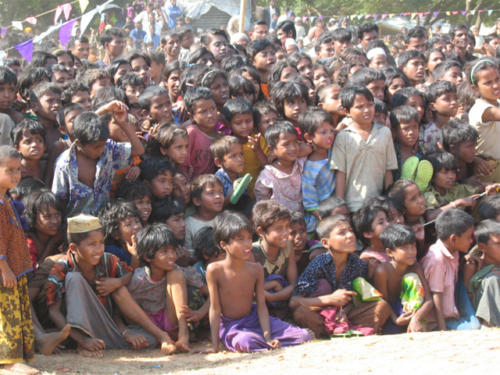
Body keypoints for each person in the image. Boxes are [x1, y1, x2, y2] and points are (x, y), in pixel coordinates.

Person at [46, 214, 177, 357]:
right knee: (74, 278)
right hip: (75, 333)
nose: (98, 249)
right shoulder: (61, 268)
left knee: (148, 339)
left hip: (105, 326)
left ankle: (156, 335)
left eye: (101, 243)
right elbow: (54, 312)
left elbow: (129, 274)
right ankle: (83, 344)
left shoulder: (108, 261)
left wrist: (118, 282)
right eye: (92, 244)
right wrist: (82, 340)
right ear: (74, 247)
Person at [207, 211, 311, 352]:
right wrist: (214, 345)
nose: (247, 244)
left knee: (303, 335)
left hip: (255, 319)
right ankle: (260, 342)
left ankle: (264, 342)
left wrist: (267, 336)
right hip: (232, 325)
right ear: (224, 244)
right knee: (245, 342)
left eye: (249, 238)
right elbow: (214, 308)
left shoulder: (256, 269)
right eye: (240, 239)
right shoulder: (214, 270)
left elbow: (262, 306)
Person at [290, 215, 391, 338]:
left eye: (350, 231)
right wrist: (330, 299)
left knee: (382, 307)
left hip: (346, 314)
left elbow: (356, 299)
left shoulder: (358, 264)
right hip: (321, 314)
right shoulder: (318, 263)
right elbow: (294, 301)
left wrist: (343, 312)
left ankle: (345, 329)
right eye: (342, 233)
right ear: (325, 243)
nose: (350, 236)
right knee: (300, 313)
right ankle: (330, 332)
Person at [52, 110, 144, 217]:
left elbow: (139, 150)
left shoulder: (109, 149)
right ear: (79, 143)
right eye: (96, 147)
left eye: (103, 145)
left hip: (104, 220)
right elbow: (59, 200)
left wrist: (124, 124)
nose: (101, 150)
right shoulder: (63, 164)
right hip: (76, 225)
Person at [0, 146, 38, 374]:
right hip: (5, 269)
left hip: (15, 265)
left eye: (18, 170)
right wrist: (3, 267)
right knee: (7, 313)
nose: (15, 175)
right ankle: (8, 360)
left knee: (14, 310)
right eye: (9, 170)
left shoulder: (5, 199)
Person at [331, 86, 397, 212]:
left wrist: (389, 201)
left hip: (378, 204)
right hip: (353, 205)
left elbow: (388, 170)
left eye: (370, 105)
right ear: (347, 111)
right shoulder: (343, 137)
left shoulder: (384, 132)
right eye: (359, 107)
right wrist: (340, 205)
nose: (366, 110)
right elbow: (341, 173)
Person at [128, 223, 190, 354]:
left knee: (176, 274)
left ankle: (183, 335)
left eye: (173, 250)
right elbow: (126, 310)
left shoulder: (175, 271)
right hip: (148, 325)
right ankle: (163, 339)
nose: (172, 256)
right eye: (164, 252)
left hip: (170, 320)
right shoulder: (138, 279)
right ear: (148, 257)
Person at [420, 209, 480, 330]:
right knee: (474, 329)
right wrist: (443, 329)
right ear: (453, 239)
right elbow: (436, 296)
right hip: (440, 317)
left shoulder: (454, 250)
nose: (471, 241)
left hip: (452, 299)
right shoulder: (437, 260)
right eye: (468, 237)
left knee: (476, 326)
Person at [374, 224, 435, 332]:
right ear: (389, 252)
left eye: (413, 246)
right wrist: (396, 319)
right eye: (405, 248)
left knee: (412, 278)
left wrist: (416, 318)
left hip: (413, 311)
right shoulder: (382, 271)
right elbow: (383, 301)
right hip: (391, 314)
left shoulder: (415, 267)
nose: (411, 252)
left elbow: (429, 300)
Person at [254, 121, 305, 212]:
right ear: (272, 149)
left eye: (295, 142)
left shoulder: (301, 164)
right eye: (286, 144)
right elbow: (262, 207)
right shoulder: (267, 176)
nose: (293, 148)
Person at [300, 107, 336, 234]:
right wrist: (325, 219)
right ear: (309, 137)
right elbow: (310, 203)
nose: (330, 135)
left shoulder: (335, 152)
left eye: (331, 131)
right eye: (323, 132)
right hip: (322, 220)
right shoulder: (310, 168)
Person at [468, 59, 500, 182]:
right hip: (489, 169)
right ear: (475, 88)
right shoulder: (482, 109)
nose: (496, 85)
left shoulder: (497, 103)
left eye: (497, 79)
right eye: (488, 83)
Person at [465, 220, 500, 327]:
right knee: (492, 280)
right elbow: (468, 296)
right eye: (498, 244)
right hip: (481, 310)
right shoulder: (473, 265)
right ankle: (488, 326)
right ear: (482, 247)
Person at [184, 174, 224, 251]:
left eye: (221, 192)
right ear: (197, 201)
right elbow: (189, 253)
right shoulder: (189, 224)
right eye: (211, 193)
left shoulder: (224, 220)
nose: (218, 196)